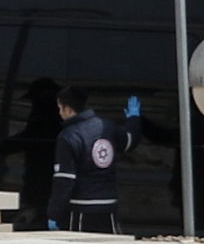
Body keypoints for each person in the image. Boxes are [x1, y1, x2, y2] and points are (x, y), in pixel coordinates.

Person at [47, 86, 141, 233]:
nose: (59, 113)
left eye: (59, 108)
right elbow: (130, 140)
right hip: (108, 206)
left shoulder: (68, 136)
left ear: (68, 109)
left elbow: (65, 180)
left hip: (82, 209)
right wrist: (134, 119)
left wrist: (54, 214)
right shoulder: (108, 126)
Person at [0, 77, 62, 229]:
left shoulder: (44, 118)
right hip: (43, 178)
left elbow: (30, 138)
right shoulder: (54, 118)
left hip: (41, 179)